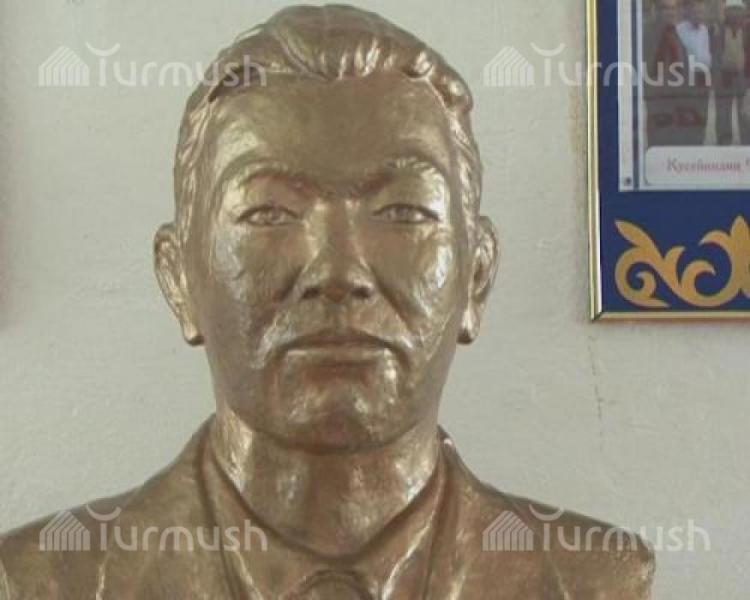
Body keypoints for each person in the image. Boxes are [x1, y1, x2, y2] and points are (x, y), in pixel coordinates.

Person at [0, 6, 655, 599]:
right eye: (268, 212)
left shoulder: (592, 580)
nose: (339, 272)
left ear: (476, 277)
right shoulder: (45, 580)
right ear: (179, 279)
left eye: (402, 210)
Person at [644, 0, 693, 146]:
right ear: (657, 11)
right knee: (660, 141)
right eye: (666, 9)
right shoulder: (650, 34)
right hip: (659, 99)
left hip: (678, 97)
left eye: (673, 9)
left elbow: (683, 62)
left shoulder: (677, 32)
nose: (670, 13)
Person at [676, 0, 714, 144]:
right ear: (689, 12)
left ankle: (700, 140)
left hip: (703, 76)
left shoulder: (705, 30)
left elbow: (706, 51)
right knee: (688, 110)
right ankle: (688, 142)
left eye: (701, 12)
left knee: (702, 110)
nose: (700, 15)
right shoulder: (680, 30)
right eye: (697, 12)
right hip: (688, 77)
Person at [713, 0, 750, 144]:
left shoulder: (746, 30)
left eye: (738, 10)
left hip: (743, 78)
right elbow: (714, 53)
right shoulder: (718, 30)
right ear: (726, 13)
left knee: (745, 112)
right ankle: (724, 143)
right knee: (723, 113)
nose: (735, 13)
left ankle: (747, 143)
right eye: (732, 10)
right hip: (724, 78)